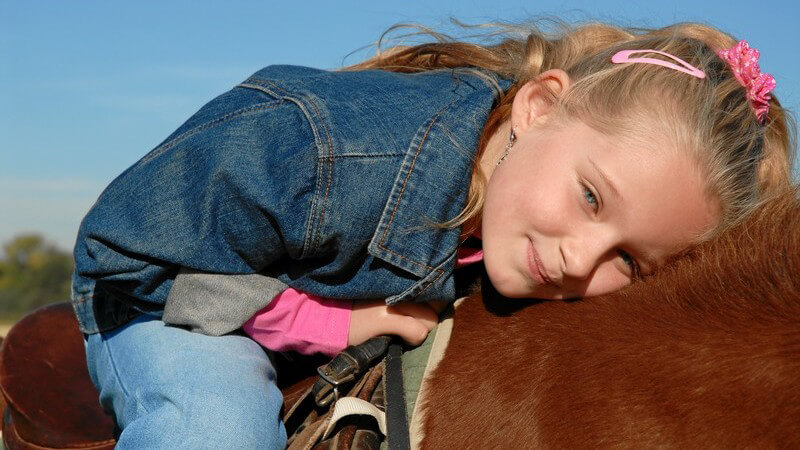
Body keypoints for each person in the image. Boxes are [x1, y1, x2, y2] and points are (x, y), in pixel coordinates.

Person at [73, 19, 794, 448]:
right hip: (156, 294)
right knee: (217, 423)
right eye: (590, 196)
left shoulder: (528, 204)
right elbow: (135, 254)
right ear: (541, 108)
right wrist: (335, 321)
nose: (580, 258)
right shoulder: (322, 153)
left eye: (630, 260)